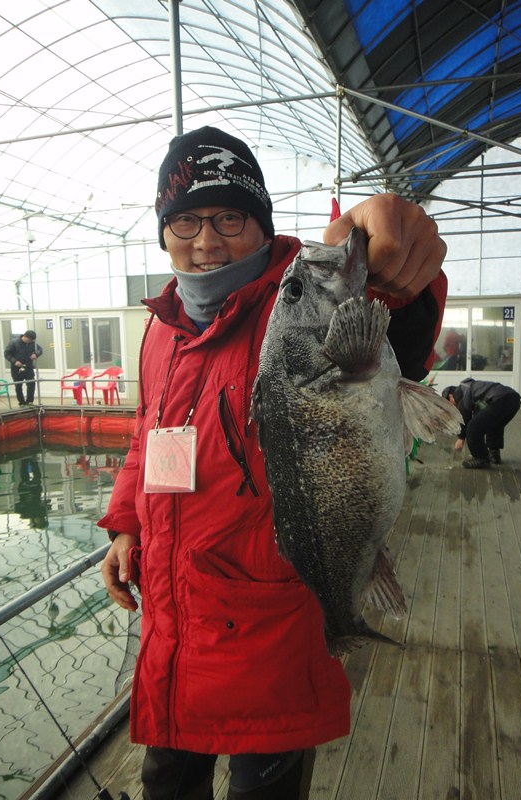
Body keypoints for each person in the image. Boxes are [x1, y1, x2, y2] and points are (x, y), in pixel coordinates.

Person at [99, 125, 448, 800]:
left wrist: (393, 248)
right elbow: (148, 437)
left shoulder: (297, 302)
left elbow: (391, 312)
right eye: (185, 221)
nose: (206, 240)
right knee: (167, 786)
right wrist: (125, 527)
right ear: (164, 233)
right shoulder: (160, 328)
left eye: (229, 218)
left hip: (271, 633)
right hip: (173, 627)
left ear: (262, 225)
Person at [442, 378, 521, 468]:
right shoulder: (472, 389)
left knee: (472, 428)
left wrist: (461, 437)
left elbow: (464, 414)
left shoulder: (460, 391)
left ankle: (481, 458)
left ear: (450, 396)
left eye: (449, 403)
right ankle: (494, 453)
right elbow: (478, 415)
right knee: (491, 424)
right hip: (513, 399)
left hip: (501, 399)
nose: (452, 406)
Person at [4, 330, 42, 406]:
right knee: (18, 386)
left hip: (28, 367)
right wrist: (14, 361)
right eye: (29, 340)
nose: (30, 341)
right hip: (16, 369)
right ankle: (21, 402)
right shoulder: (14, 343)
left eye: (32, 340)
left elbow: (40, 350)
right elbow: (7, 354)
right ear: (25, 336)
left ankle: (29, 401)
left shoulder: (32, 343)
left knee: (31, 384)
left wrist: (36, 354)